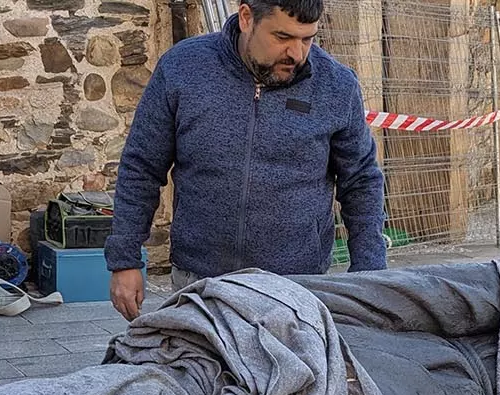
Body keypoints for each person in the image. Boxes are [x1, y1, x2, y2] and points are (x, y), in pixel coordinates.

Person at [104, 0, 387, 319]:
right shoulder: (183, 68)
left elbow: (361, 182)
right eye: (282, 37)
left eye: (307, 38)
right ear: (246, 18)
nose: (296, 53)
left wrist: (370, 275)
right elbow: (141, 166)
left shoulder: (335, 86)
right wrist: (125, 259)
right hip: (198, 284)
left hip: (296, 288)